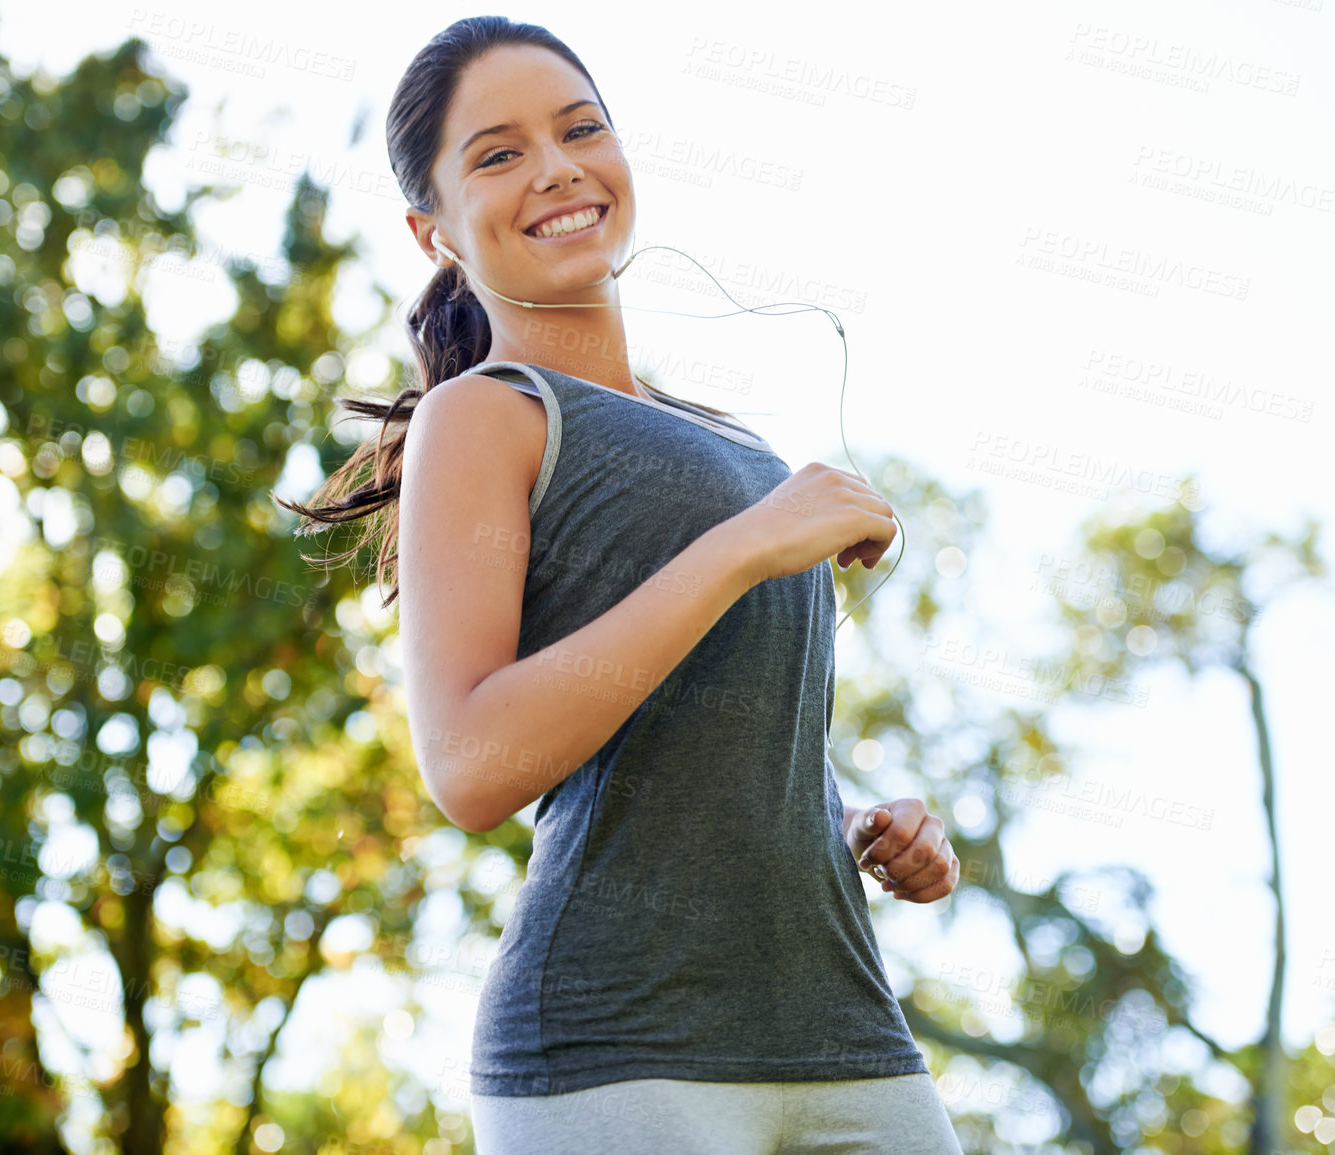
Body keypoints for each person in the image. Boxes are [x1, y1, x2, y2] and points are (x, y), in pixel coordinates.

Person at [279, 16, 964, 1154]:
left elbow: (705, 734)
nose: (555, 167)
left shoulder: (724, 441)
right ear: (431, 229)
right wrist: (747, 543)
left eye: (580, 129)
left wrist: (855, 820)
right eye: (496, 154)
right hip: (613, 1055)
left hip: (846, 1034)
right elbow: (469, 766)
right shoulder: (485, 415)